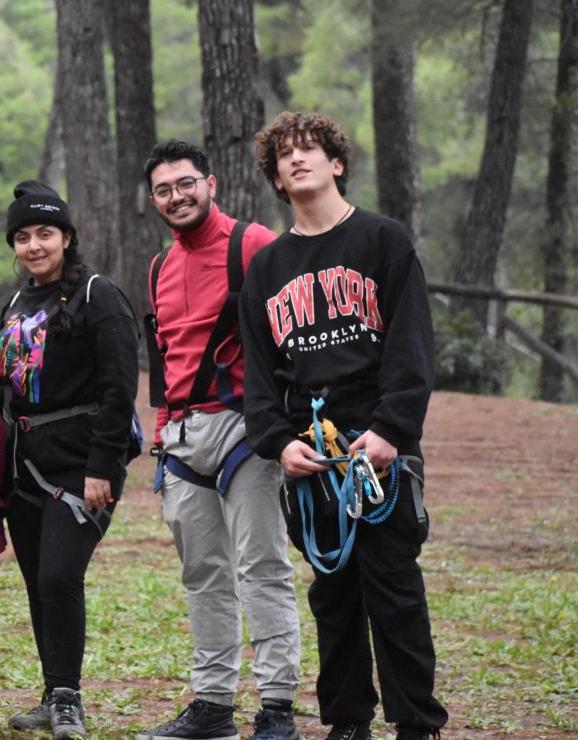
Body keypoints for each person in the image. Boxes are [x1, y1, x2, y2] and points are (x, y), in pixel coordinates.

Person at [241, 111, 448, 740]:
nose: (297, 159)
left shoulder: (384, 241)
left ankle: (416, 724)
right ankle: (347, 722)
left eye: (310, 149)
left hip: (378, 438)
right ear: (276, 179)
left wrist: (390, 431)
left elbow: (412, 347)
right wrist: (278, 443)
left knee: (394, 588)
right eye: (284, 154)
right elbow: (259, 375)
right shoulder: (267, 269)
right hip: (312, 441)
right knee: (332, 594)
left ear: (336, 163)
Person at [138, 143, 302, 740]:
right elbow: (164, 361)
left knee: (262, 567)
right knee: (203, 574)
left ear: (210, 182)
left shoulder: (254, 244)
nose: (177, 197)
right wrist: (161, 440)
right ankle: (212, 705)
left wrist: (286, 428)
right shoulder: (157, 267)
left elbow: (296, 331)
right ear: (153, 199)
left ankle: (278, 708)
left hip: (245, 430)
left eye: (186, 184)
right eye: (163, 189)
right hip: (182, 439)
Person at [0, 181, 139, 740]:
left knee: (59, 576)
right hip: (24, 467)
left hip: (82, 466)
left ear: (68, 237)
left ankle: (71, 701)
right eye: (23, 236)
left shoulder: (99, 296)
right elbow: (3, 383)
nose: (33, 246)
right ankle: (52, 693)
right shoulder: (16, 302)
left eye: (45, 234)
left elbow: (119, 387)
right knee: (37, 583)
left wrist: (104, 467)